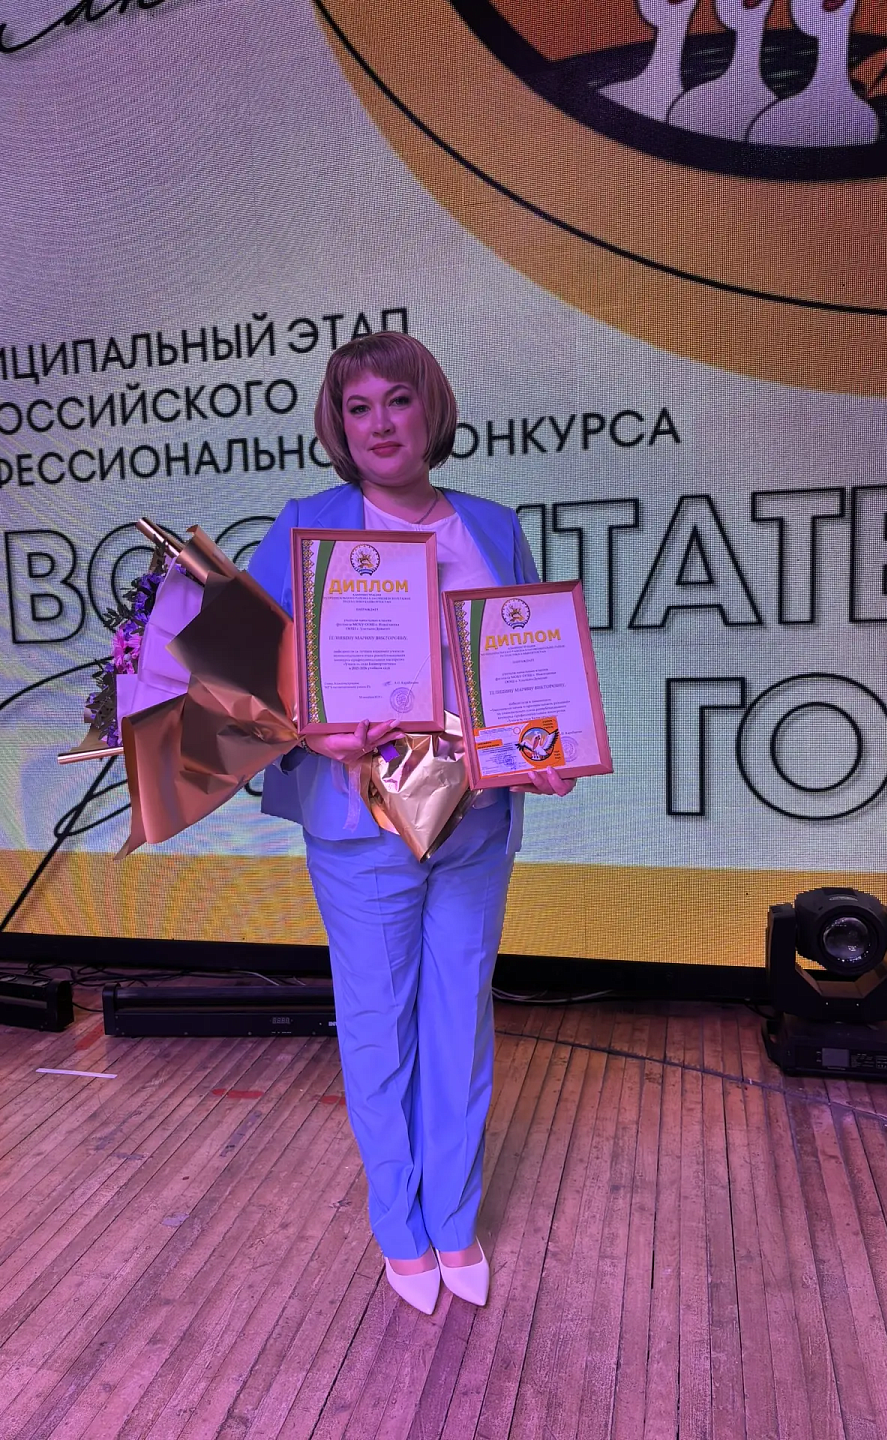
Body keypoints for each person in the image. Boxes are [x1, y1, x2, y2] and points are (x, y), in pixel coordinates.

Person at [247, 332, 575, 1314]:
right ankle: (400, 1226)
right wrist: (313, 724)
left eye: (398, 399)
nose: (380, 423)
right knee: (379, 1024)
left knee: (460, 1018)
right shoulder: (307, 525)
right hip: (360, 818)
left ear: (431, 408)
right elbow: (250, 679)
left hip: (478, 813)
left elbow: (526, 665)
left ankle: (455, 1217)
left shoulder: (493, 526)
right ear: (338, 425)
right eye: (359, 407)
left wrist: (549, 746)